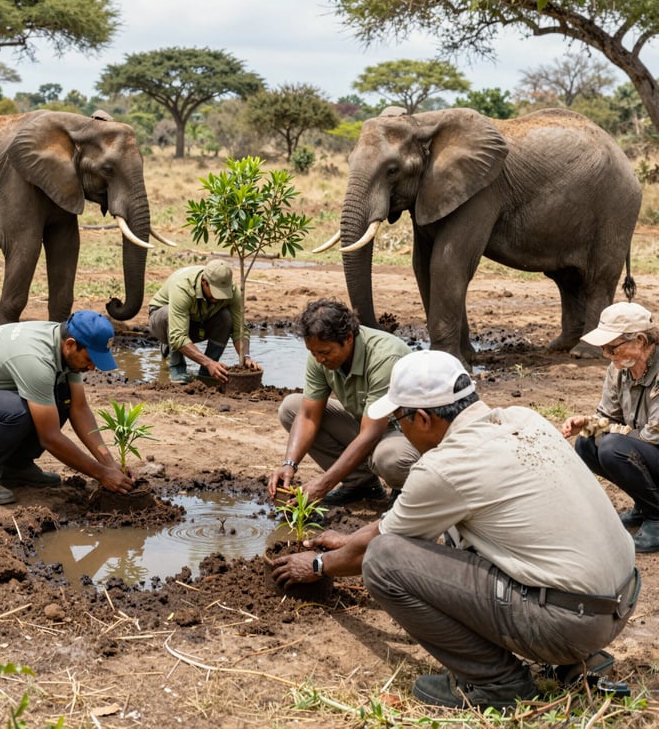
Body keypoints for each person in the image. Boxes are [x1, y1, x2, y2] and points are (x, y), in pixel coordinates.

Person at [271, 350, 639, 711]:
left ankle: (496, 682)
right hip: (617, 603)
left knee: (383, 561)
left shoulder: (446, 466)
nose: (400, 431)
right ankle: (580, 659)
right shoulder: (522, 419)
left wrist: (318, 565)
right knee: (457, 532)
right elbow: (397, 523)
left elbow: (381, 546)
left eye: (399, 420)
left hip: (569, 624)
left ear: (423, 418)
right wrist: (348, 540)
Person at [0, 310, 135, 505]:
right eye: (90, 359)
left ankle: (17, 467)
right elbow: (50, 437)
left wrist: (109, 463)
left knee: (63, 396)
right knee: (21, 411)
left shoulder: (64, 346)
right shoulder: (37, 358)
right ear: (70, 345)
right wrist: (101, 474)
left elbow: (79, 408)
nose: (92, 367)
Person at [268, 298, 419, 506]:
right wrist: (289, 464)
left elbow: (370, 434)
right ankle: (360, 484)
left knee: (390, 457)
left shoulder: (383, 357)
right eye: (313, 352)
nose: (319, 359)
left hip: (406, 434)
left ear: (348, 337)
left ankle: (406, 490)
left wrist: (324, 484)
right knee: (291, 409)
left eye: (324, 352)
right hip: (368, 424)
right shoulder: (320, 354)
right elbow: (308, 416)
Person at [561, 301, 659, 553]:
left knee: (612, 447)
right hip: (646, 450)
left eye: (611, 347)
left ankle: (656, 517)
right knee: (586, 442)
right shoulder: (619, 370)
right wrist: (588, 424)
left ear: (639, 341)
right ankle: (644, 505)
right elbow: (608, 415)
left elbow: (652, 435)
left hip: (652, 444)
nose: (606, 354)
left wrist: (607, 432)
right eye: (603, 348)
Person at [148, 259, 259, 384]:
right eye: (216, 292)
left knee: (226, 317)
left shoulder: (232, 290)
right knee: (171, 318)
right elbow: (178, 336)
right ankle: (177, 368)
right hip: (161, 322)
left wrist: (245, 357)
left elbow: (240, 329)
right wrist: (208, 363)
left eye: (223, 293)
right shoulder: (183, 287)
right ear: (204, 282)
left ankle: (206, 373)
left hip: (197, 320)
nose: (218, 298)